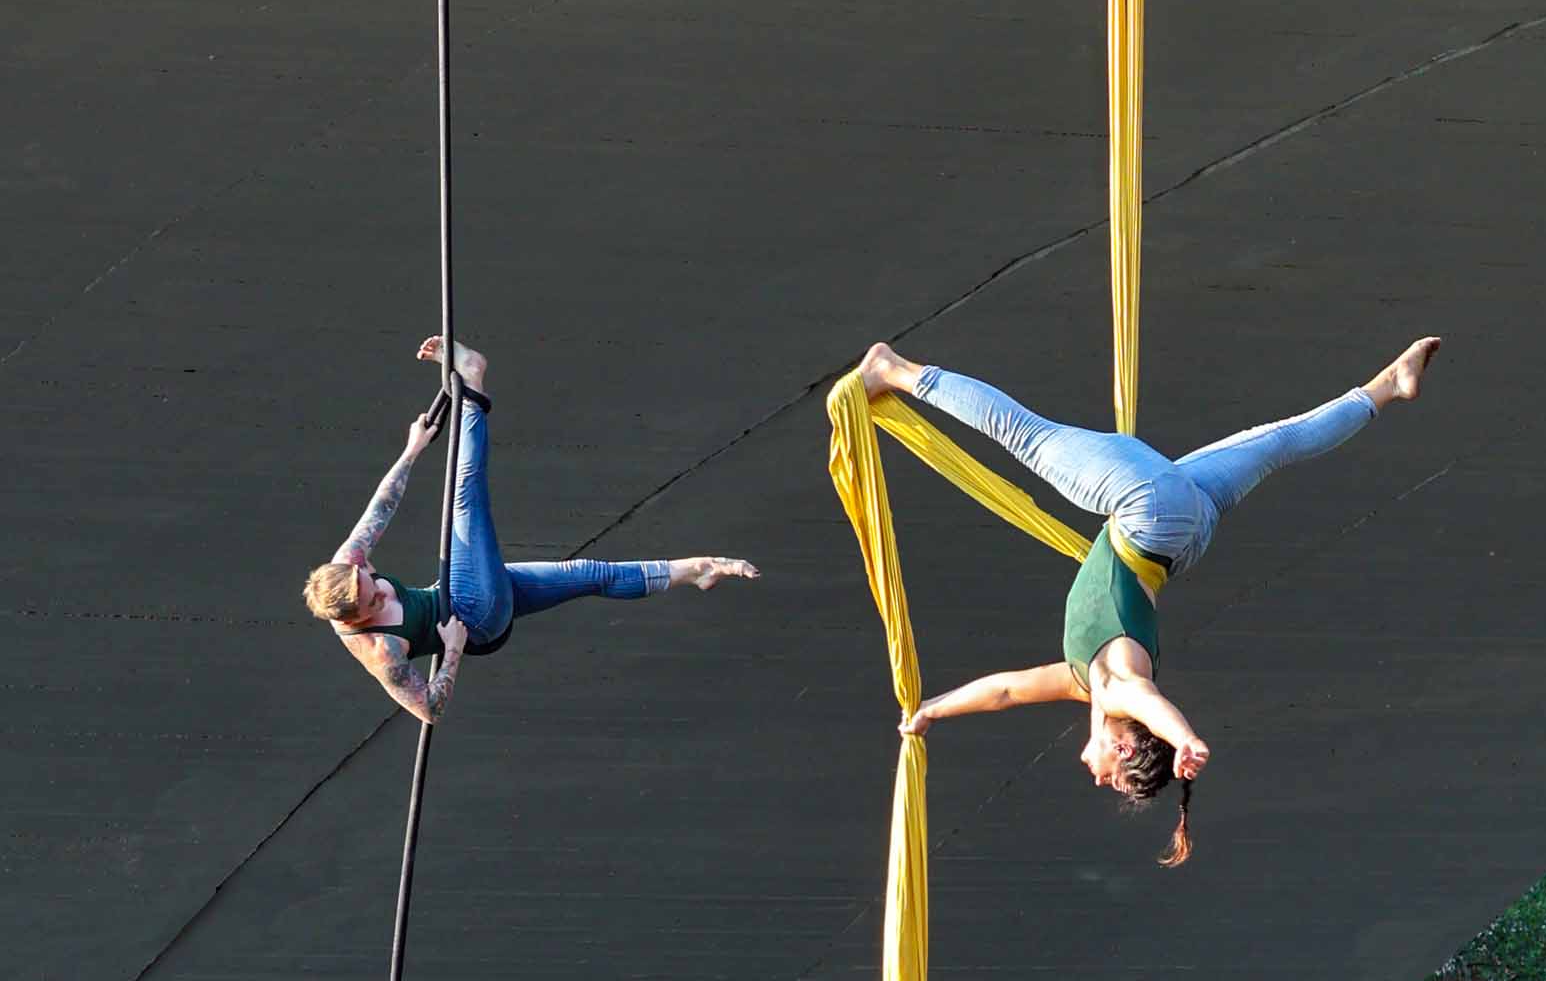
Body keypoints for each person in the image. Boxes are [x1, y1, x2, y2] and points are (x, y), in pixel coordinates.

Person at [858, 333, 1438, 862]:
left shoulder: (1087, 680)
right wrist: (1183, 738)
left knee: (1278, 442)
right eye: (1112, 776)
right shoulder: (1119, 687)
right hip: (1147, 513)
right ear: (1124, 743)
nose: (1097, 777)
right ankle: (895, 369)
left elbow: (1007, 690)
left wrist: (932, 709)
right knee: (1025, 436)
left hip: (1186, 531)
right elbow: (1148, 702)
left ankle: (1386, 387)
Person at [302, 339, 759, 723]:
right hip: (472, 615)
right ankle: (473, 381)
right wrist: (453, 651)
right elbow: (430, 710)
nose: (380, 592)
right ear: (356, 619)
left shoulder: (349, 564)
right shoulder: (378, 650)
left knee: (589, 572)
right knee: (464, 498)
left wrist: (413, 450)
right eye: (373, 601)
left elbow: (382, 504)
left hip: (471, 597)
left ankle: (697, 570)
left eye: (371, 584)